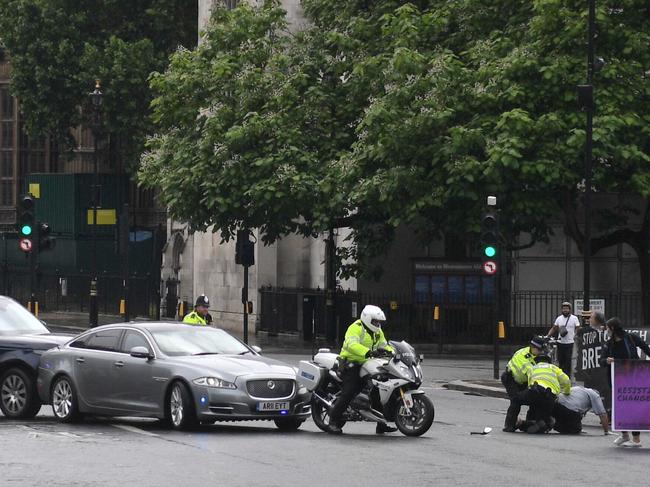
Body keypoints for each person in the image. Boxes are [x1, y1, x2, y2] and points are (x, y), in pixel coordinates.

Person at [328, 305, 395, 435]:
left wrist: (393, 353)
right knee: (349, 391)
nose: (378, 324)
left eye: (379, 322)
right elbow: (351, 344)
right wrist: (368, 352)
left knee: (377, 389)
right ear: (367, 319)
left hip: (367, 364)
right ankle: (333, 421)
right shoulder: (356, 328)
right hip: (351, 363)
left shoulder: (377, 332)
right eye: (375, 321)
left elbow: (384, 345)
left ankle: (381, 424)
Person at [599, 317, 650, 448]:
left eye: (608, 328)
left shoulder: (630, 337)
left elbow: (645, 348)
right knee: (620, 406)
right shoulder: (609, 343)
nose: (606, 330)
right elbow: (601, 360)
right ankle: (624, 435)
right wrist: (607, 360)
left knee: (634, 405)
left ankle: (636, 439)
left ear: (613, 328)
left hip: (634, 377)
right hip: (617, 380)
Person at [502, 335, 546, 432]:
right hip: (510, 379)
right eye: (539, 350)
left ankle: (530, 423)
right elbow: (532, 376)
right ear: (533, 347)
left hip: (521, 379)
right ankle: (509, 425)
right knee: (516, 401)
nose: (541, 352)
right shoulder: (525, 360)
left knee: (534, 399)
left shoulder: (527, 351)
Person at [521, 354, 571, 434]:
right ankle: (544, 423)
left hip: (535, 392)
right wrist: (566, 392)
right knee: (545, 415)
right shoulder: (554, 368)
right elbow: (566, 380)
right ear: (549, 362)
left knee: (531, 409)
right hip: (549, 395)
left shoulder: (531, 369)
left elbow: (529, 383)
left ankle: (527, 423)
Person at [547, 301, 580, 378]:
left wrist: (575, 335)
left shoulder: (574, 318)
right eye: (564, 308)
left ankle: (567, 377)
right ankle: (561, 377)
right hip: (560, 342)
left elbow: (578, 328)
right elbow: (554, 328)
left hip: (570, 343)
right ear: (561, 310)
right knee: (560, 361)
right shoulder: (559, 318)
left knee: (568, 361)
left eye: (567, 309)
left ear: (570, 310)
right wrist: (548, 335)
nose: (565, 310)